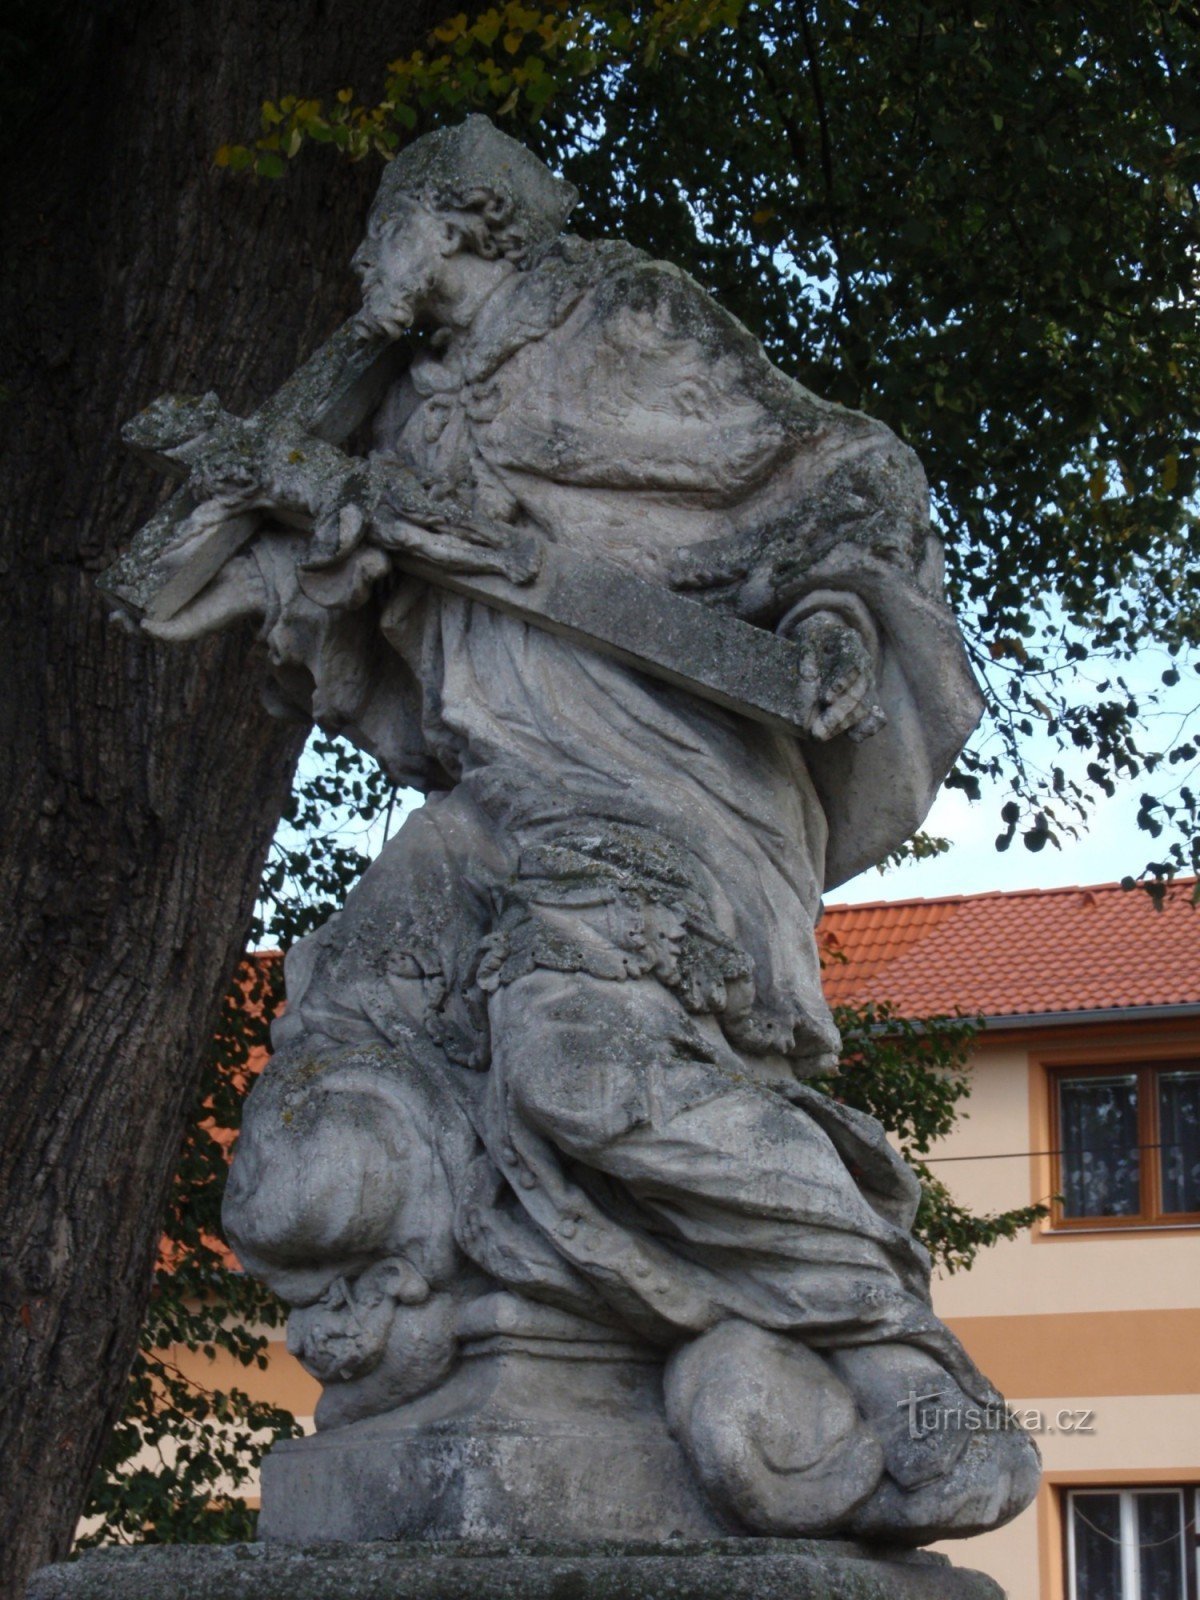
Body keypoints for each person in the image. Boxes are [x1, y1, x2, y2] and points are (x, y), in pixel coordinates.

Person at [164, 117, 1037, 1541]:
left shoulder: (617, 320)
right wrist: (340, 478)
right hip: (489, 806)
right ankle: (452, 1346)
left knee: (578, 1067)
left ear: (464, 224)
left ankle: (897, 1359)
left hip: (662, 798)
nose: (355, 254)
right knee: (329, 1080)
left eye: (382, 224)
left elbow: (840, 472)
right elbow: (281, 614)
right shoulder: (395, 403)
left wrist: (826, 620)